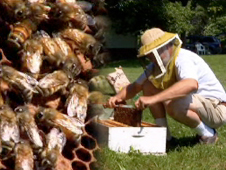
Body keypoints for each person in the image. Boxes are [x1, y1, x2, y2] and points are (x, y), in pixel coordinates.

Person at [107, 28, 226, 144]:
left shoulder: (183, 58)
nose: (150, 58)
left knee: (176, 103)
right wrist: (117, 98)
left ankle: (208, 135)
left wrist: (153, 99)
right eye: (148, 55)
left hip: (217, 108)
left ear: (164, 47)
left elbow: (191, 84)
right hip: (200, 105)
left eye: (152, 54)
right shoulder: (156, 65)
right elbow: (135, 86)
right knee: (148, 85)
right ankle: (166, 139)